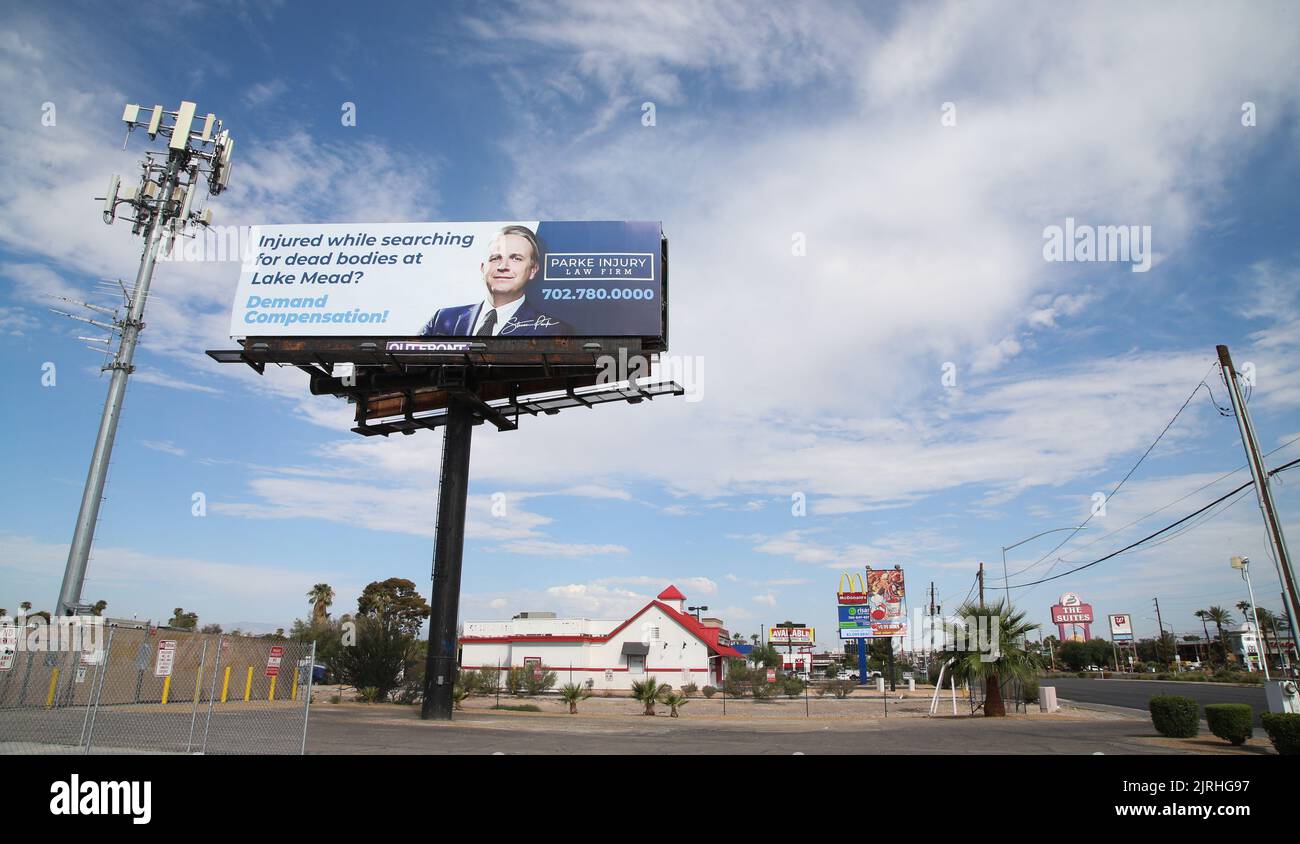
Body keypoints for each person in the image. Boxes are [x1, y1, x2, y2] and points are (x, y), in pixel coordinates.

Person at [420, 224, 572, 337]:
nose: (503, 266)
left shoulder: (554, 329)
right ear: (482, 267)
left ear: (533, 270)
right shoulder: (443, 318)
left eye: (516, 258)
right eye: (495, 258)